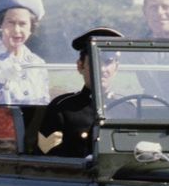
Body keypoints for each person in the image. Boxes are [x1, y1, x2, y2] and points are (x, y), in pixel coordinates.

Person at [37, 28, 122, 156]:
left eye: (108, 62)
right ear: (80, 66)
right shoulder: (63, 108)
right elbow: (47, 157)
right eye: (95, 62)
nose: (102, 69)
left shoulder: (128, 108)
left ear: (116, 67)